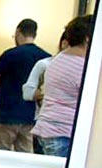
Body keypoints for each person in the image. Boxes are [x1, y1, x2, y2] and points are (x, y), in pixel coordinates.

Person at [0, 19, 50, 152]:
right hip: (29, 116)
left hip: (6, 115)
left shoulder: (10, 55)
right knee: (24, 157)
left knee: (0, 154)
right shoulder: (45, 57)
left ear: (18, 32)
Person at [32, 15, 95, 157]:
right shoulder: (82, 66)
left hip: (49, 129)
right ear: (87, 39)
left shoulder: (58, 59)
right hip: (63, 133)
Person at [22, 31, 68, 154]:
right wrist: (47, 93)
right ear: (64, 44)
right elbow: (27, 93)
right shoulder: (45, 64)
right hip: (46, 123)